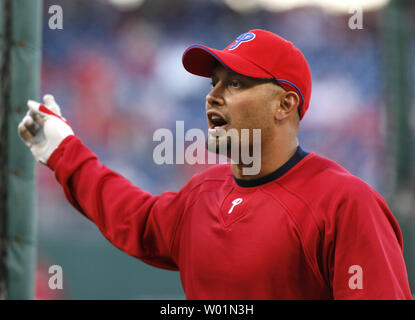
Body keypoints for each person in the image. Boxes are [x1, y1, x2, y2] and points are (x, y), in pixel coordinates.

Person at [18, 29, 412, 299]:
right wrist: (63, 151)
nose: (214, 96)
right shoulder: (202, 193)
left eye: (236, 83)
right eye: (214, 83)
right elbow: (130, 213)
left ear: (285, 104)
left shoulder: (345, 202)